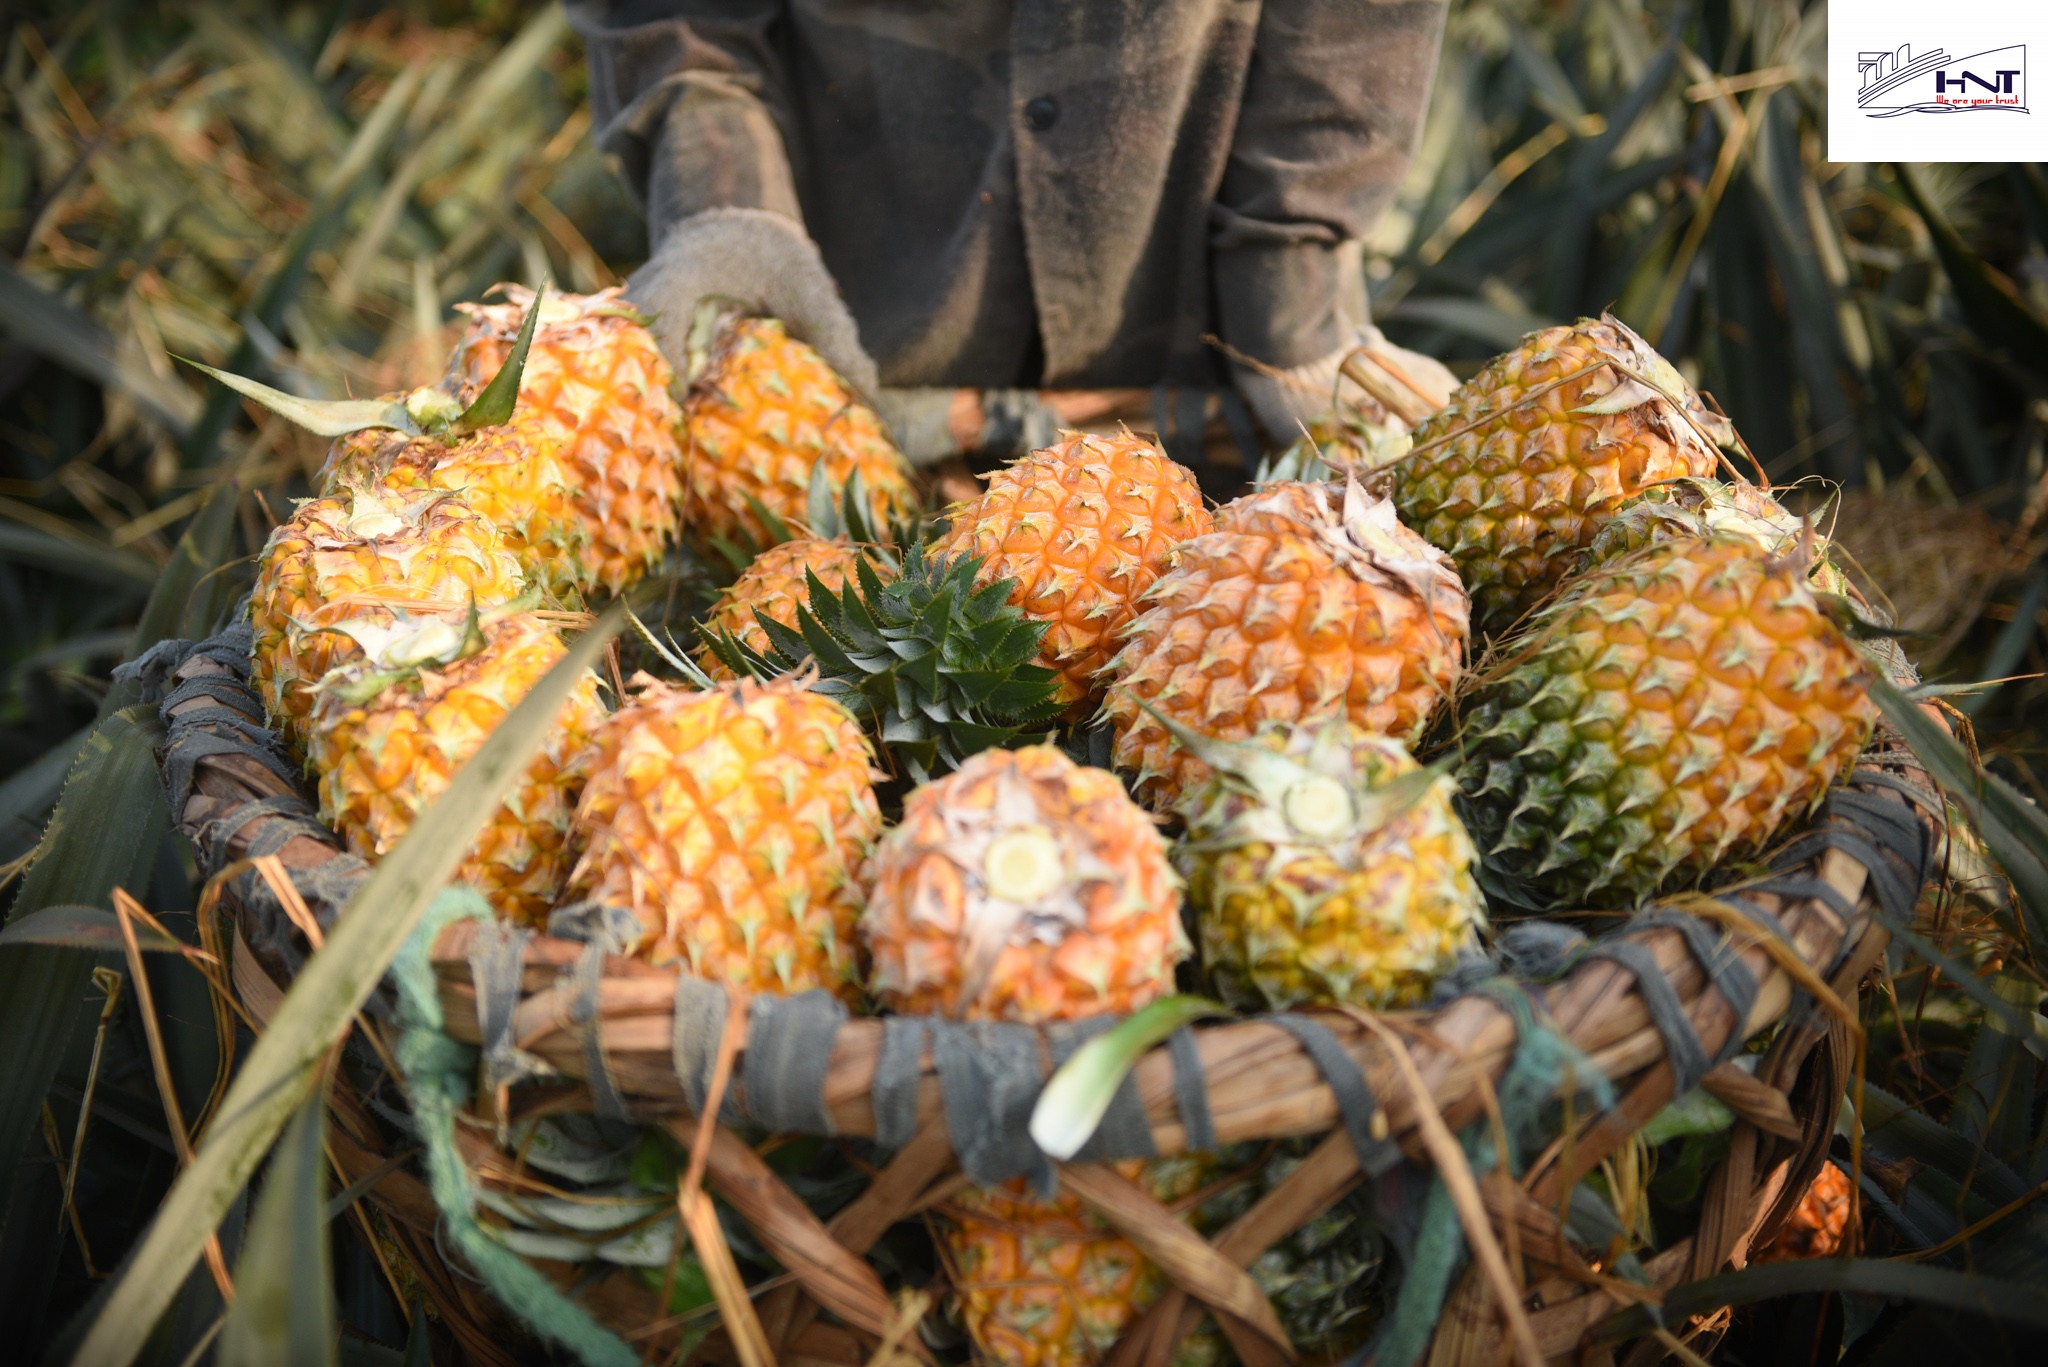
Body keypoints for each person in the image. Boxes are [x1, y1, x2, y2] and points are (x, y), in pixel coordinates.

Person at [566, 0, 1455, 471]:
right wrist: (729, 213)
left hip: (1204, 367)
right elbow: (676, 17)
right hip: (837, 387)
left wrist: (1290, 286)